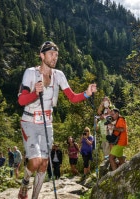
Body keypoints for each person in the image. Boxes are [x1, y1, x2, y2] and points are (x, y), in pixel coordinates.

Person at [17, 41, 97, 199]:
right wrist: (34, 93)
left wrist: (86, 93)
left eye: (56, 55)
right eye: (51, 54)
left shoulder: (59, 75)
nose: (55, 57)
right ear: (42, 55)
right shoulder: (30, 73)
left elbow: (73, 97)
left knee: (44, 164)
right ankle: (25, 181)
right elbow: (21, 100)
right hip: (30, 121)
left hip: (47, 124)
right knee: (35, 161)